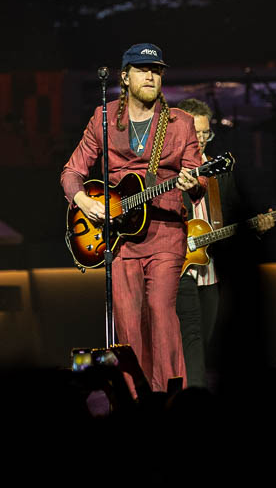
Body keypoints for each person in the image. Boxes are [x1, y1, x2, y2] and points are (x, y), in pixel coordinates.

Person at [61, 43, 206, 395]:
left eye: (156, 70)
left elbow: (198, 180)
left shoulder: (180, 123)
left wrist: (192, 182)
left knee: (161, 312)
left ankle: (169, 395)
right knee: (127, 321)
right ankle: (135, 398)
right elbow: (72, 172)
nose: (151, 76)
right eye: (142, 70)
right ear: (125, 77)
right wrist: (83, 201)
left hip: (165, 230)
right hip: (119, 235)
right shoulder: (104, 117)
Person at [174, 98, 274, 388]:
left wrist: (256, 228)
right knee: (191, 338)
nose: (201, 139)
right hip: (179, 268)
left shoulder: (219, 169)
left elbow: (232, 216)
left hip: (211, 269)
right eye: (195, 132)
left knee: (204, 342)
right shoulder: (167, 172)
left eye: (206, 133)